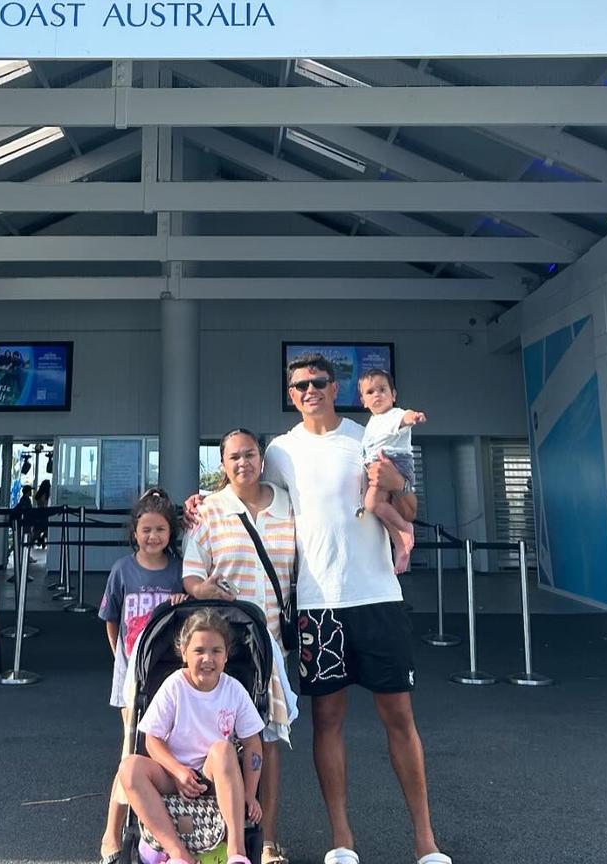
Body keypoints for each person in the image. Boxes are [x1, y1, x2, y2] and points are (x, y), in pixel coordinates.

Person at [261, 353, 450, 864]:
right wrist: (199, 504)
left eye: (318, 382)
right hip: (317, 606)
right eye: (299, 385)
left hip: (378, 597)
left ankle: (425, 841)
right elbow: (247, 494)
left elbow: (408, 511)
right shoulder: (280, 451)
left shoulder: (366, 436)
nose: (309, 391)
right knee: (327, 718)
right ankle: (342, 840)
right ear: (291, 393)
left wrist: (396, 482)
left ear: (336, 386)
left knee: (399, 715)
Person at [182, 429, 297, 864]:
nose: (242, 462)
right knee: (216, 739)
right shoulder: (210, 510)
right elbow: (191, 575)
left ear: (262, 459)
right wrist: (203, 586)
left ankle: (266, 840)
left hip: (273, 648)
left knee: (266, 740)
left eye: (249, 454)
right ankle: (216, 836)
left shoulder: (288, 504)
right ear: (222, 464)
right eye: (233, 457)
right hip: (227, 646)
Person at [118, 608, 264, 864]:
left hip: (213, 778)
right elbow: (152, 739)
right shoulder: (175, 685)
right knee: (129, 768)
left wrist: (250, 794)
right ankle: (178, 854)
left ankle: (237, 853)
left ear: (226, 656)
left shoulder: (233, 690)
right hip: (174, 776)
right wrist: (177, 771)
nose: (208, 658)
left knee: (222, 750)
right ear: (184, 652)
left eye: (216, 651)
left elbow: (253, 743)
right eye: (199, 651)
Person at [98, 488, 188, 864]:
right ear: (134, 531)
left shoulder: (179, 570)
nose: (153, 537)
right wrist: (124, 660)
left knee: (167, 751)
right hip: (132, 681)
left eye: (161, 530)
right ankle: (112, 834)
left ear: (172, 533)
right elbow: (112, 622)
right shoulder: (122, 570)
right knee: (131, 749)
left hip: (167, 678)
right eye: (146, 529)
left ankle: (159, 830)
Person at [358, 368, 427, 575]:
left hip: (395, 462)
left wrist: (413, 416)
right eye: (370, 392)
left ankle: (405, 529)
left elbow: (404, 417)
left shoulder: (393, 414)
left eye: (382, 389)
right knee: (376, 507)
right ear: (363, 400)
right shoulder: (372, 422)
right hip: (378, 464)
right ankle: (400, 541)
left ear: (393, 395)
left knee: (372, 503)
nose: (377, 395)